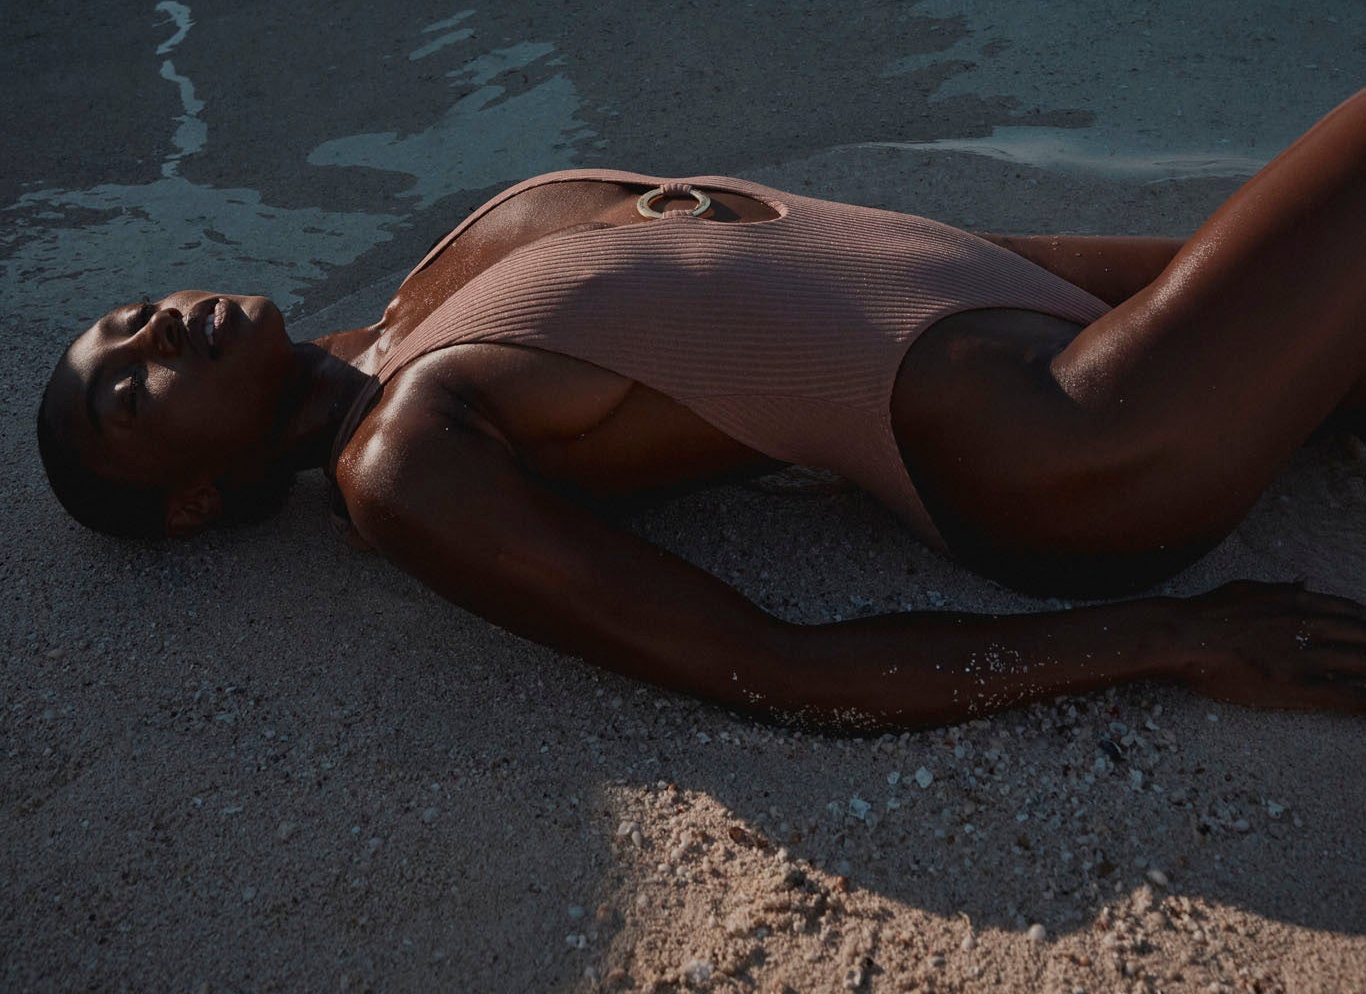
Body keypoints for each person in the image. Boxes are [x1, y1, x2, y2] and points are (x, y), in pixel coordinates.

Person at [36, 89, 1366, 733]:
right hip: (1078, 455)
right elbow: (783, 672)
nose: (150, 331)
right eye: (126, 390)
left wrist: (1215, 292)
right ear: (190, 499)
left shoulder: (417, 303)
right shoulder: (402, 459)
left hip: (1070, 334)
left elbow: (881, 260)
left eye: (123, 322)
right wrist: (1173, 637)